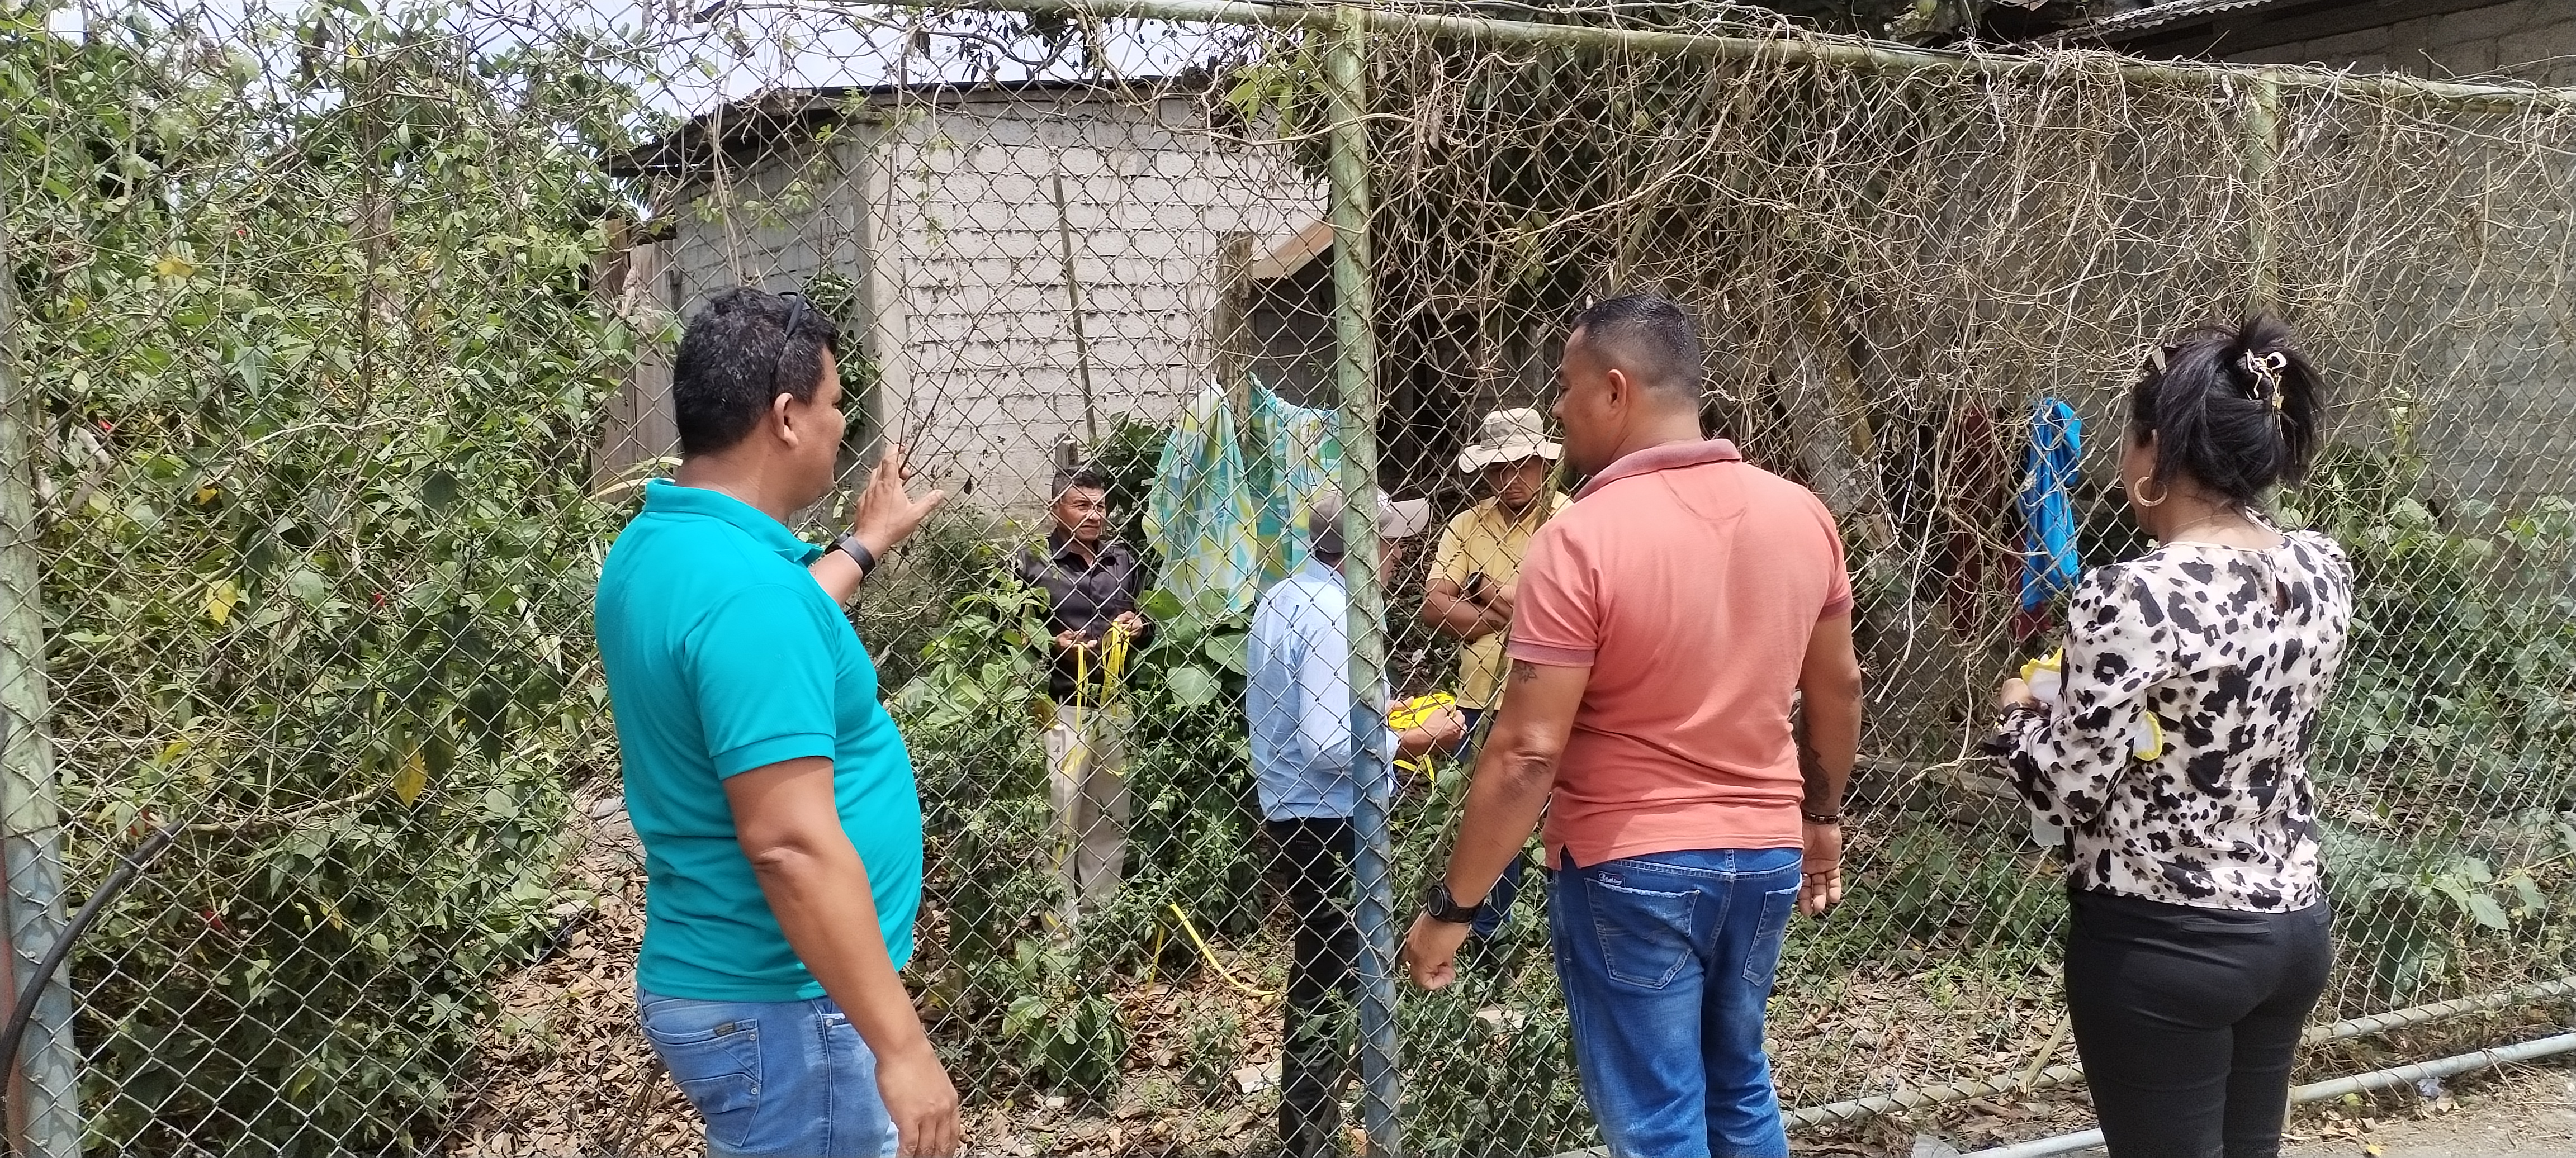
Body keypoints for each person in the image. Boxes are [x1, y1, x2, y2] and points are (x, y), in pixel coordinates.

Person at [1400, 293, 1863, 1158]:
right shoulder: (1802, 514)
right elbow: (1838, 686)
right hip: (1765, 853)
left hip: (1631, 864)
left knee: (1657, 1120)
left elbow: (1527, 751)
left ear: (1615, 390)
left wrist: (1454, 908)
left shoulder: (1579, 540)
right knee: (1739, 1084)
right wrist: (1823, 818)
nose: (1560, 408)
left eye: (1566, 386)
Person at [595, 287, 959, 1158]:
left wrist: (865, 546)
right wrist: (903, 1048)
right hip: (789, 1006)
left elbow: (764, 632)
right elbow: (789, 846)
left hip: (735, 982)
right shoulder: (750, 594)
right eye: (835, 403)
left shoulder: (662, 546)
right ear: (788, 417)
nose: (843, 423)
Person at [1989, 316, 2347, 1158]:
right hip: (2291, 921)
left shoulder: (2132, 594)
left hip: (2164, 936)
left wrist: (2018, 713)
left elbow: (2069, 788)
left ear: (2155, 449)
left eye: (2127, 436)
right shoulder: (2322, 566)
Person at [1248, 490, 1467, 1158]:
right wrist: (1416, 736)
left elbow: (1311, 707)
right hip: (1328, 813)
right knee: (1334, 971)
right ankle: (1311, 1134)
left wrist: (1380, 710)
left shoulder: (1286, 594)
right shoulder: (1334, 614)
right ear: (1365, 549)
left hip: (1296, 806)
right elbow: (1325, 743)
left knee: (1323, 962)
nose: (1399, 552)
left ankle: (1309, 1126)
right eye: (1391, 542)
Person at [1416, 407, 1571, 939]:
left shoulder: (1568, 518)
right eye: (1498, 468)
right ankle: (1488, 933)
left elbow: (1571, 609)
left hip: (1555, 699)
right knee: (1484, 819)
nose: (1510, 478)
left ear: (1543, 463)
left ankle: (1553, 928)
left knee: (1557, 817)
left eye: (1521, 465)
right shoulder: (1467, 525)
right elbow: (1434, 606)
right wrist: (1503, 611)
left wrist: (1484, 590)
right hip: (1479, 698)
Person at [1015, 463, 1150, 926]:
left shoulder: (1123, 560)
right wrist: (1051, 643)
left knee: (1109, 818)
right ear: (1056, 508)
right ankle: (1060, 932)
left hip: (1115, 706)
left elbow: (1147, 618)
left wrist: (1139, 626)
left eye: (1101, 506)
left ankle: (1099, 923)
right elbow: (1009, 630)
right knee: (1060, 819)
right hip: (1059, 708)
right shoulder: (1032, 563)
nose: (1095, 515)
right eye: (1082, 505)